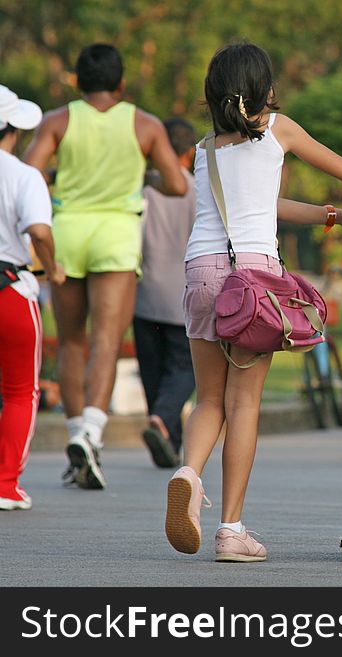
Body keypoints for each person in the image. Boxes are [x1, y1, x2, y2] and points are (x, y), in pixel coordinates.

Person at [164, 43, 342, 563]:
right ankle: (231, 531)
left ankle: (187, 474)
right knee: (243, 405)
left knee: (209, 399)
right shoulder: (278, 129)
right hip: (252, 281)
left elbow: (267, 205)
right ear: (264, 89)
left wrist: (339, 218)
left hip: (201, 272)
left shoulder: (203, 150)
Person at [24, 44, 187, 490]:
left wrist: (59, 180)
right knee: (106, 341)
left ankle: (79, 436)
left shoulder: (58, 120)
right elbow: (175, 183)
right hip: (116, 235)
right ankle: (93, 434)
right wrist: (141, 175)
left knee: (72, 342)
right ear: (121, 84)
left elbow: (28, 171)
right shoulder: (144, 123)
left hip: (69, 231)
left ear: (77, 81)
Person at [0, 85, 66, 510]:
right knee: (21, 390)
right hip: (10, 290)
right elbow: (39, 230)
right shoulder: (24, 175)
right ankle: (5, 485)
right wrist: (53, 266)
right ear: (13, 127)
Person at [134, 118, 199, 468]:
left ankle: (168, 440)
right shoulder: (195, 188)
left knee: (153, 369)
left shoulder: (143, 190)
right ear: (189, 152)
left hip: (144, 293)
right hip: (182, 295)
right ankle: (162, 420)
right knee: (184, 367)